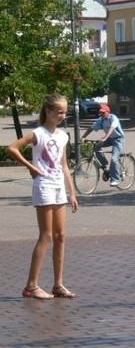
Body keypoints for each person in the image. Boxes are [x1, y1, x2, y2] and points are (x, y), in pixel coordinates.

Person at [8, 93, 79, 300]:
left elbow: (64, 165)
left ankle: (58, 285)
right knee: (46, 235)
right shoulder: (38, 133)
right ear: (47, 111)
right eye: (59, 112)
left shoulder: (63, 136)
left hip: (58, 187)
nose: (62, 115)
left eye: (65, 112)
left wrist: (72, 193)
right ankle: (31, 286)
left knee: (61, 236)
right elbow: (13, 148)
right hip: (44, 186)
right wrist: (31, 167)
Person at [82, 104, 125, 186]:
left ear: (108, 112)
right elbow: (92, 128)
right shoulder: (101, 120)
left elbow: (112, 128)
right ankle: (104, 163)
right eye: (101, 113)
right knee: (96, 146)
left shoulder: (113, 118)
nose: (101, 114)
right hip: (109, 139)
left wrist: (105, 137)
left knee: (114, 158)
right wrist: (83, 137)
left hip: (118, 139)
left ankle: (116, 179)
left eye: (103, 113)